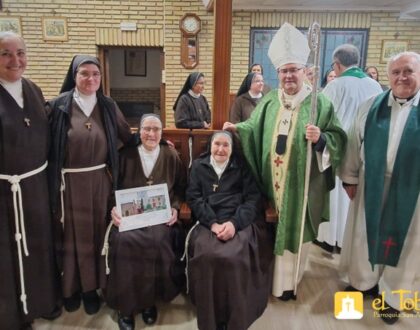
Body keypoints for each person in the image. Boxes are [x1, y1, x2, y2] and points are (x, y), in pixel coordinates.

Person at [223, 22, 346, 300]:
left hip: (300, 185)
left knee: (293, 230)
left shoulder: (320, 103)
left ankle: (290, 284)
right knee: (269, 229)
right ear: (277, 73)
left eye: (294, 70)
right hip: (271, 182)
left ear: (304, 71)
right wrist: (236, 129)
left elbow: (339, 137)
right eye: (284, 70)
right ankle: (267, 280)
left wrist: (322, 139)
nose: (289, 75)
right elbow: (253, 127)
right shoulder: (269, 101)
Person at [47, 55, 133, 315]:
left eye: (95, 74)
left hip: (99, 182)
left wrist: (156, 141)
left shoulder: (107, 104)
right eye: (84, 73)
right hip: (69, 183)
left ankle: (92, 289)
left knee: (98, 235)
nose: (91, 79)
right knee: (71, 236)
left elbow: (126, 136)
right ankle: (70, 287)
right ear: (74, 76)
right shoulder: (58, 105)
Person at [339, 51, 420, 325]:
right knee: (364, 235)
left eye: (408, 71)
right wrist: (349, 177)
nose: (402, 78)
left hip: (413, 190)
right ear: (388, 76)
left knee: (407, 245)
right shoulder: (371, 105)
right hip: (371, 182)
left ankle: (393, 299)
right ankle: (363, 282)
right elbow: (353, 142)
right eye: (396, 72)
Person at [0, 31, 60, 329]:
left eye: (20, 52)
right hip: (4, 190)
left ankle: (41, 301)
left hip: (35, 185)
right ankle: (13, 314)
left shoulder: (34, 90)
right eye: (6, 54)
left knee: (38, 243)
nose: (15, 60)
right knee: (7, 251)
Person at [185, 131, 273, 330]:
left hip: (239, 221)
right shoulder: (199, 166)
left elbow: (252, 199)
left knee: (233, 256)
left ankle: (234, 315)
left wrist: (234, 223)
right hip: (208, 221)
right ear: (210, 145)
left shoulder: (242, 166)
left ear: (232, 149)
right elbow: (194, 198)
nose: (221, 149)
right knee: (207, 255)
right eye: (217, 144)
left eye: (226, 145)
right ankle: (211, 315)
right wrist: (213, 223)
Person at [105, 114, 186, 330]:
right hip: (129, 217)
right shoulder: (125, 155)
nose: (151, 134)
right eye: (146, 129)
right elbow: (112, 188)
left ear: (162, 133)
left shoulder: (170, 155)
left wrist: (176, 209)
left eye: (156, 129)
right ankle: (126, 307)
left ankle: (149, 301)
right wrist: (114, 207)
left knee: (158, 242)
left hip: (160, 218)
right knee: (124, 243)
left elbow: (180, 188)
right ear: (138, 131)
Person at [318, 44, 383, 253]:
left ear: (336, 65)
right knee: (354, 197)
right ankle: (350, 240)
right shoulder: (375, 86)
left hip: (338, 147)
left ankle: (330, 238)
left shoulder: (335, 86)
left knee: (335, 193)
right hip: (365, 149)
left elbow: (321, 118)